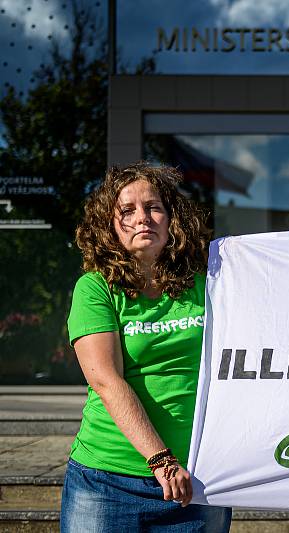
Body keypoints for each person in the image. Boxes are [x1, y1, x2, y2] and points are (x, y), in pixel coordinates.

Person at [61, 162, 232, 532]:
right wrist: (161, 460)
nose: (143, 218)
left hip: (197, 481)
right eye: (127, 210)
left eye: (154, 207)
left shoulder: (209, 283)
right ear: (109, 225)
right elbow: (106, 381)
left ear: (172, 219)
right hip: (106, 480)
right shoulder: (95, 288)